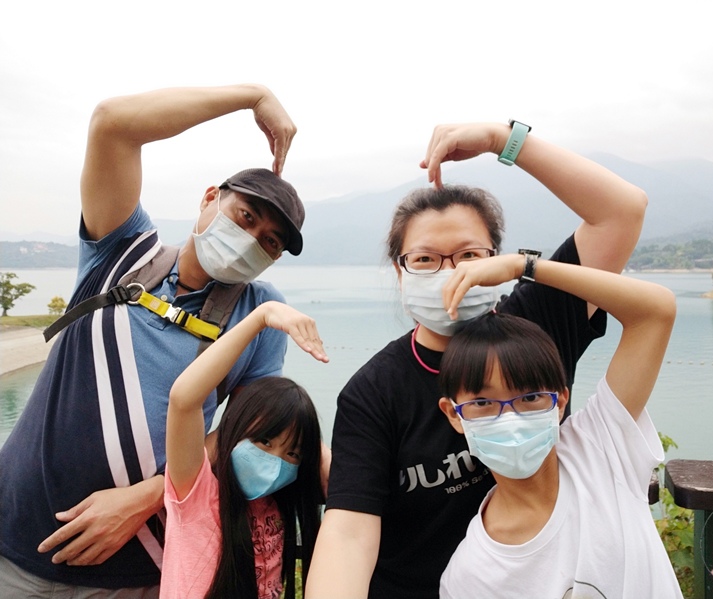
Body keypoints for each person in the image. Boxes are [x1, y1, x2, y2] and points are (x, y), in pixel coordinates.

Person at [0, 84, 326, 597]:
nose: (251, 241)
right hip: (15, 538)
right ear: (210, 198)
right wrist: (251, 96)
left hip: (140, 569)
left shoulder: (258, 313)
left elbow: (243, 432)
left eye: (269, 241)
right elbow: (112, 123)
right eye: (245, 217)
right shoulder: (122, 250)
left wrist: (147, 497)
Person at [306, 120, 649, 598]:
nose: (450, 273)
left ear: (496, 260)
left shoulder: (537, 324)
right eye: (425, 259)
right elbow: (348, 532)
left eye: (469, 255)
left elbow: (622, 212)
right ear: (400, 272)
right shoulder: (375, 392)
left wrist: (500, 139)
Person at [437, 259, 680, 597]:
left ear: (561, 400)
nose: (510, 418)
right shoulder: (470, 577)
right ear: (453, 414)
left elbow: (656, 310)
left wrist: (524, 266)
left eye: (530, 397)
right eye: (483, 403)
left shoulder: (600, 446)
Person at [162, 299, 327, 599]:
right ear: (236, 429)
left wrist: (301, 423)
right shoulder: (197, 495)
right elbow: (184, 400)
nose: (274, 461)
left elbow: (344, 478)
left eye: (291, 454)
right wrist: (260, 317)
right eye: (265, 441)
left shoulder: (276, 506)